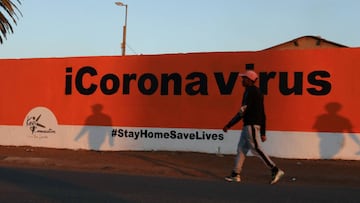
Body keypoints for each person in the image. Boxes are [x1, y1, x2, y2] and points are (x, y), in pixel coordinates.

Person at [223, 70, 284, 184]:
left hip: (251, 125)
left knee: (256, 148)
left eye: (244, 78)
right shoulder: (254, 92)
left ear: (249, 80)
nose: (242, 80)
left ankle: (275, 169)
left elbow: (243, 111)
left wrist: (229, 124)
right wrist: (263, 132)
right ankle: (235, 174)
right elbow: (262, 113)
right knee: (241, 149)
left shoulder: (251, 92)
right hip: (249, 125)